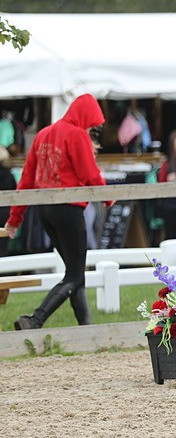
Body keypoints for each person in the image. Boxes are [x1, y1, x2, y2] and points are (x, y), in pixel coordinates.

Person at [5, 94, 109, 330]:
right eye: (92, 123)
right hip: (69, 210)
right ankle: (35, 320)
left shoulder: (42, 134)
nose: (92, 128)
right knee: (74, 275)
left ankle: (87, 329)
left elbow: (26, 180)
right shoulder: (76, 134)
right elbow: (88, 174)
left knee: (75, 272)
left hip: (45, 212)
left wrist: (15, 218)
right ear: (85, 117)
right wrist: (108, 196)